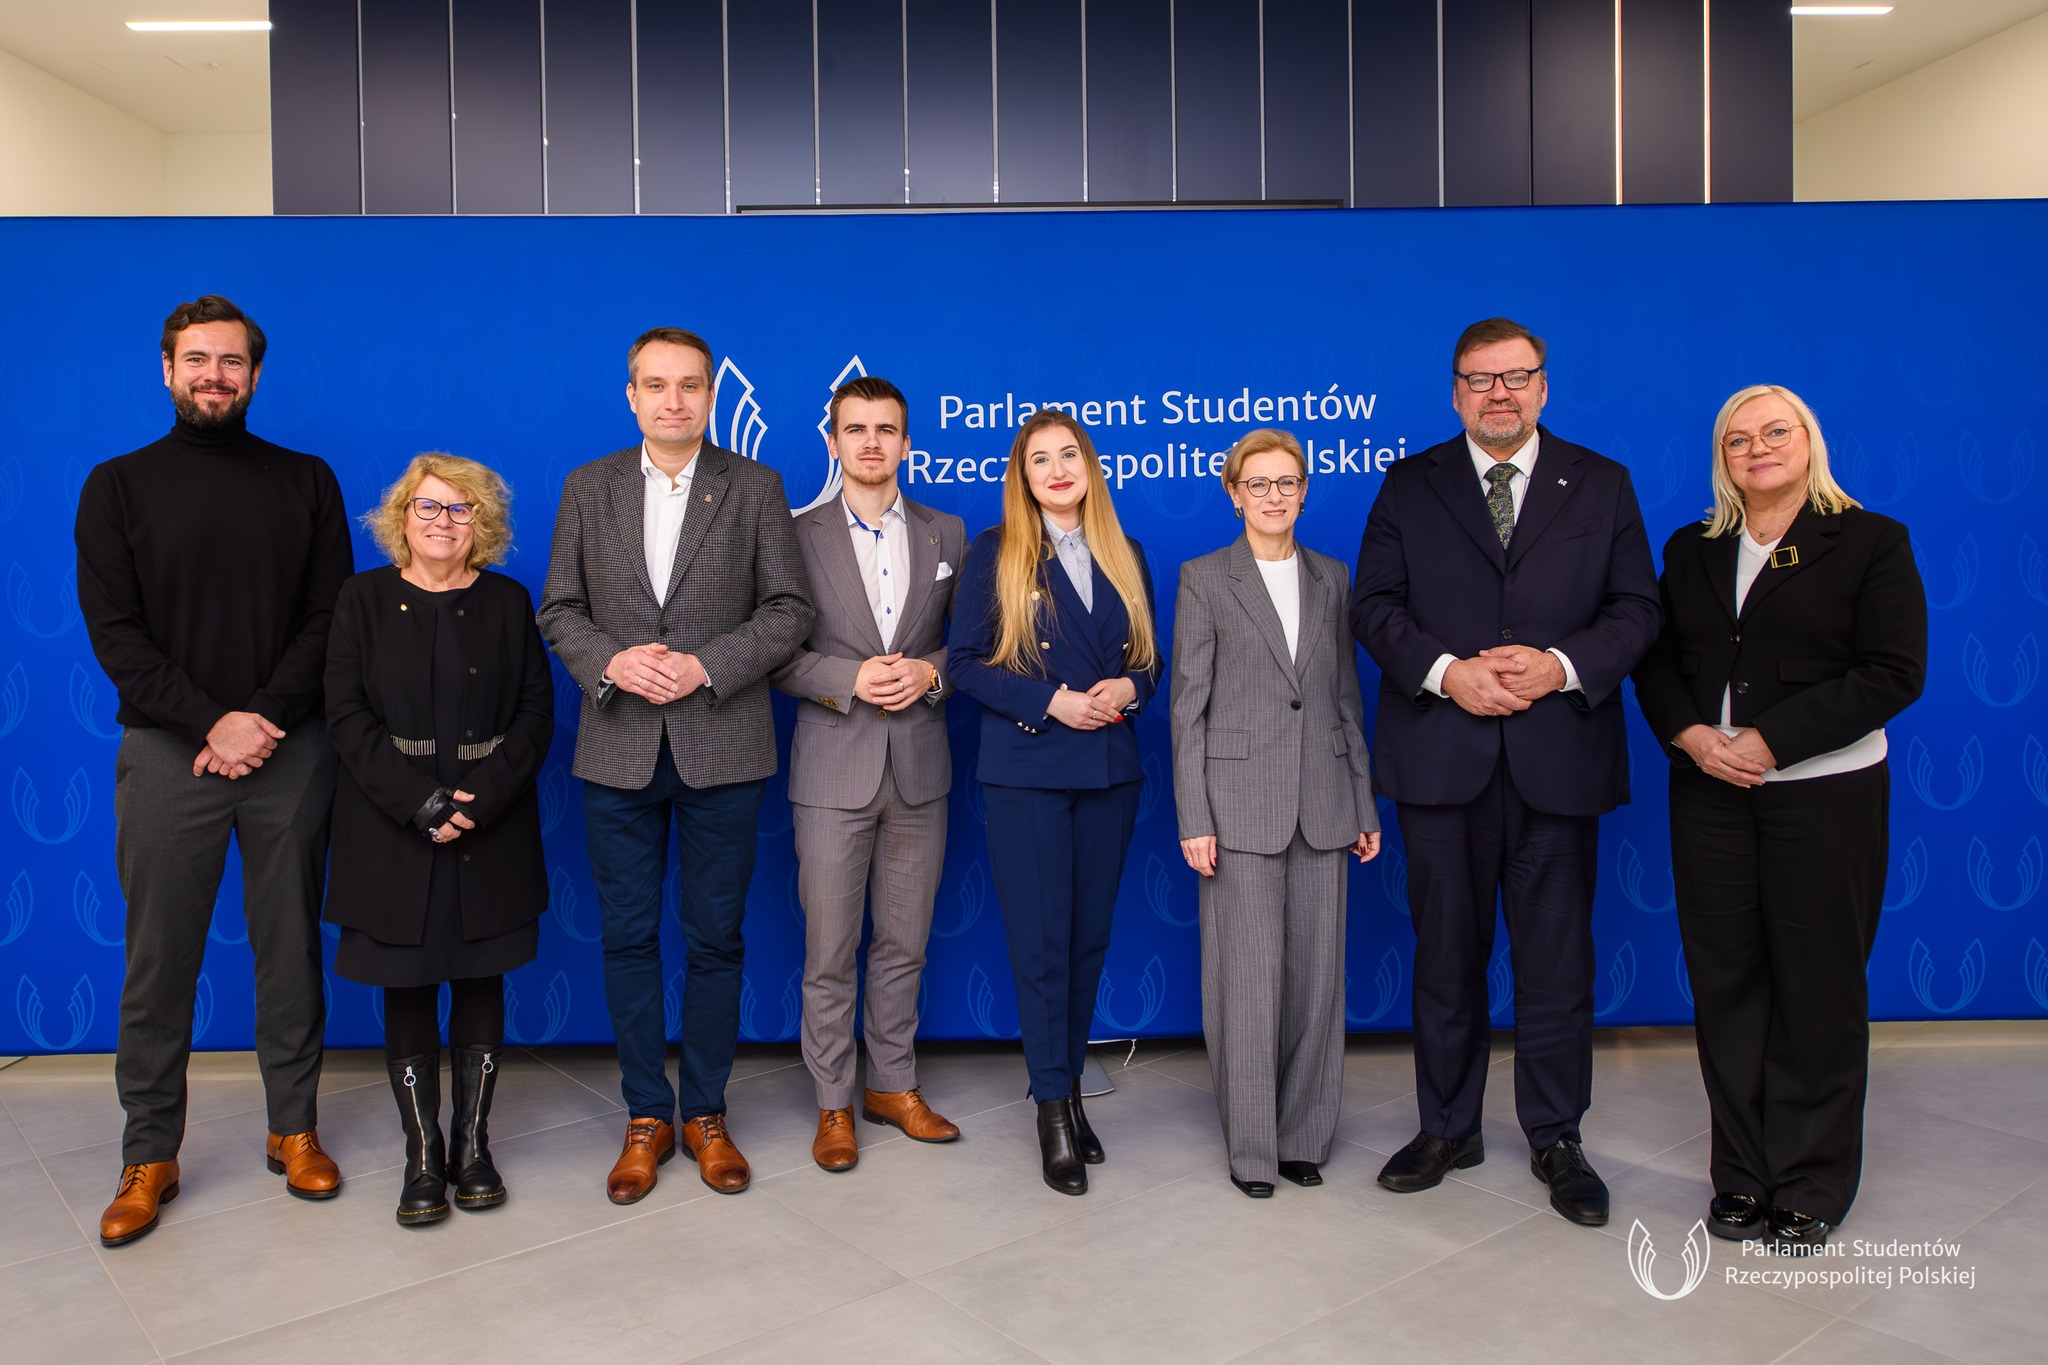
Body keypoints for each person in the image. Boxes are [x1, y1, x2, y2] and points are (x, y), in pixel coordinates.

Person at [1350, 317, 1659, 1227]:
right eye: (1481, 379)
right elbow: (1374, 606)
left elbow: (1637, 610)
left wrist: (1559, 666)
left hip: (1558, 760)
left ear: (1543, 386)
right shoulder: (1409, 484)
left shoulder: (1602, 482)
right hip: (1443, 762)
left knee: (1556, 966)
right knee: (1446, 959)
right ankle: (1447, 1128)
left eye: (1516, 376)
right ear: (1456, 392)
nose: (1499, 393)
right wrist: (1451, 674)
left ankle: (1557, 1137)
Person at [76, 295, 354, 1246]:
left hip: (288, 748)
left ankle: (294, 1128)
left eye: (231, 361)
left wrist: (261, 719)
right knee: (159, 961)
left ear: (256, 375)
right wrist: (211, 721)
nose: (214, 375)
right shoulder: (116, 486)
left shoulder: (305, 480)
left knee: (290, 948)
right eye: (197, 359)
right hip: (167, 750)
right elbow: (117, 637)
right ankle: (149, 1152)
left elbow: (328, 619)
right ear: (167, 369)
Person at [1632, 385, 1925, 1254]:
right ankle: (1742, 1174)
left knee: (1817, 987)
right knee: (1726, 984)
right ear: (1721, 458)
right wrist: (1691, 734)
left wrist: (1772, 740)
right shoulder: (1692, 547)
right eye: (1738, 439)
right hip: (1709, 791)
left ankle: (1811, 1181)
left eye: (1774, 432)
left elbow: (1894, 671)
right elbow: (1655, 661)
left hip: (1823, 794)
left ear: (1809, 442)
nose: (1757, 448)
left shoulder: (1870, 540)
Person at [537, 327, 813, 1202]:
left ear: (710, 396)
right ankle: (646, 1115)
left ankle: (706, 1112)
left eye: (689, 384)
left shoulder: (756, 485)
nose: (673, 400)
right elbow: (560, 608)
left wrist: (707, 665)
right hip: (617, 745)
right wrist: (613, 661)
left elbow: (788, 609)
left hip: (723, 743)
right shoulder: (588, 487)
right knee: (627, 937)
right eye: (655, 385)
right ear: (631, 396)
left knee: (715, 938)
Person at [324, 454, 554, 1226]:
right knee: (409, 983)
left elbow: (535, 715)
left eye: (461, 509)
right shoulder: (360, 599)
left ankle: (473, 1146)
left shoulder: (508, 601)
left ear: (481, 523)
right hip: (390, 827)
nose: (443, 521)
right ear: (402, 516)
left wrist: (477, 802)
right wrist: (419, 802)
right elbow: (345, 715)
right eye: (428, 506)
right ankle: (423, 1155)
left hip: (491, 826)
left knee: (481, 978)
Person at [947, 410, 1159, 1196]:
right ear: (1023, 475)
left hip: (1109, 769)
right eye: (1041, 459)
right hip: (1028, 769)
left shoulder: (1125, 550)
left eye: (1070, 454)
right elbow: (964, 663)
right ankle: (1051, 1110)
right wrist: (1052, 701)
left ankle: (1068, 1088)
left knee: (1086, 944)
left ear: (1090, 466)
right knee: (1040, 947)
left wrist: (1130, 688)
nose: (1059, 469)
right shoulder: (996, 550)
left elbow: (1150, 661)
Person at [1172, 429, 1381, 1199]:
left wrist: (1361, 799)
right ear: (1234, 493)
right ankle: (1254, 1148)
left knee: (1315, 984)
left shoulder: (1332, 576)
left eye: (1286, 482)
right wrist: (1194, 815)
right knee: (1248, 983)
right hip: (1237, 809)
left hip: (1324, 802)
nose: (1273, 495)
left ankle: (1302, 1137)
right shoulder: (1205, 577)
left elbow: (1343, 699)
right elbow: (1186, 707)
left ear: (1304, 490)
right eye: (1257, 483)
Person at [769, 377, 968, 1170]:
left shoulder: (948, 532)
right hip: (831, 769)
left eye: (886, 429)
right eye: (856, 429)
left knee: (904, 943)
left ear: (906, 443)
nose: (872, 443)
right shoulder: (794, 534)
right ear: (833, 442)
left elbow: (973, 643)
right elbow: (771, 651)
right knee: (829, 948)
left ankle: (892, 1085)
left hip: (920, 767)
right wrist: (845, 678)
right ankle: (833, 1102)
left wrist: (931, 672)